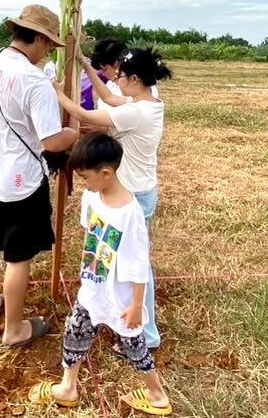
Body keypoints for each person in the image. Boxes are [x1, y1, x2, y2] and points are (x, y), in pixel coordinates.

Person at [28, 133, 172, 415]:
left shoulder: (130, 215)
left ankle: (157, 396)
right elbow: (89, 233)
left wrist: (136, 305)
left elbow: (138, 264)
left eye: (85, 177)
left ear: (106, 173)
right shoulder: (91, 198)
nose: (84, 184)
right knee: (75, 329)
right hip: (93, 291)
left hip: (121, 301)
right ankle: (68, 387)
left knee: (134, 348)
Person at [0, 4, 78, 347]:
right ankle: (15, 328)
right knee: (18, 256)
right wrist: (74, 132)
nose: (49, 51)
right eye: (49, 44)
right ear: (40, 38)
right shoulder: (33, 80)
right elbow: (50, 141)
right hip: (21, 179)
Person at [53, 48, 172, 349]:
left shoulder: (135, 112)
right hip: (142, 190)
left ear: (134, 78)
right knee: (125, 262)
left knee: (136, 265)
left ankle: (146, 333)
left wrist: (57, 91)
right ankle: (123, 320)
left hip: (136, 196)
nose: (116, 80)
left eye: (120, 76)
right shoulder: (147, 103)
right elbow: (107, 97)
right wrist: (84, 64)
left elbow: (83, 114)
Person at [90, 38, 159, 109]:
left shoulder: (139, 91)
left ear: (117, 64)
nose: (104, 74)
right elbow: (108, 98)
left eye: (105, 69)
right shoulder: (111, 84)